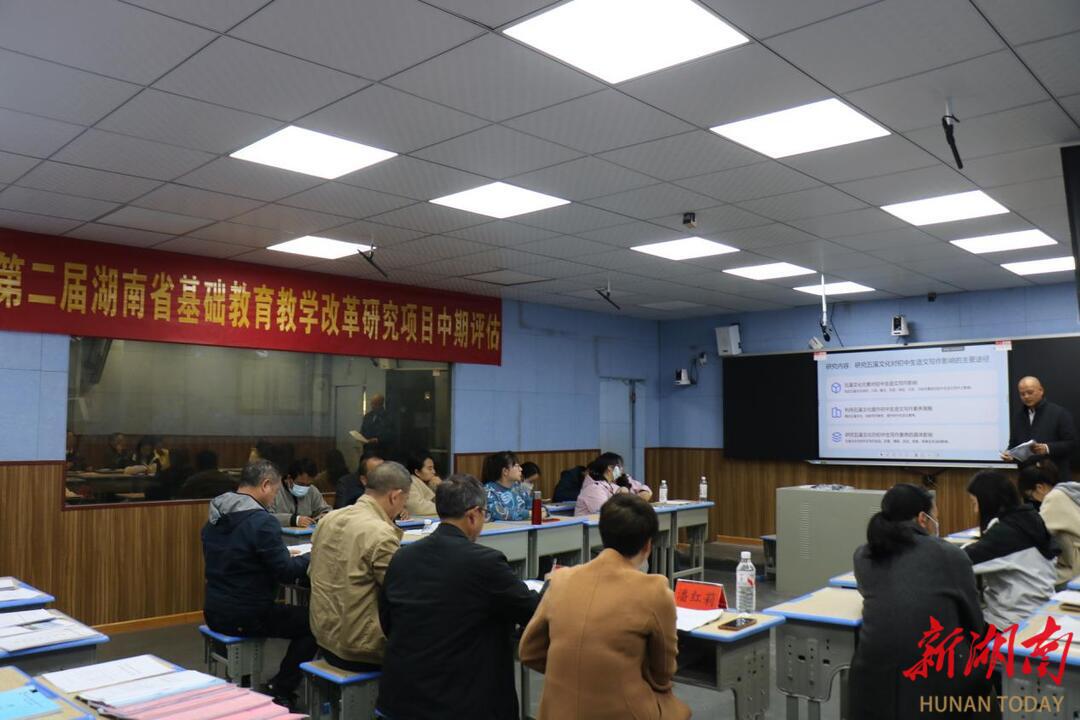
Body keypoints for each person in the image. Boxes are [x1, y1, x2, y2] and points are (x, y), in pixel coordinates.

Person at [378, 475, 540, 720]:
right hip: (460, 703)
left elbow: (387, 622)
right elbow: (532, 610)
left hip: (400, 698)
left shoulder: (402, 557)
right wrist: (554, 586)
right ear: (474, 515)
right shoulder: (485, 562)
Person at [519, 494, 690, 720]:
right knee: (679, 710)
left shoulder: (561, 580)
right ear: (648, 545)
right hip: (623, 710)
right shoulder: (655, 590)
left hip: (556, 711)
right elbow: (663, 673)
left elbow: (529, 651)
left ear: (602, 534)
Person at [848, 484, 992, 720]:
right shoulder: (949, 555)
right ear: (923, 519)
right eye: (935, 516)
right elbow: (974, 623)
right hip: (937, 679)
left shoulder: (863, 554)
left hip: (871, 678)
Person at [201, 460, 316, 706]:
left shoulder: (216, 515)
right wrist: (313, 556)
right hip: (246, 614)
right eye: (275, 491)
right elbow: (286, 572)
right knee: (316, 622)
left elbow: (238, 557)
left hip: (214, 608)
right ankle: (282, 687)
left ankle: (247, 679)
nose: (274, 499)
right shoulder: (262, 521)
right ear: (265, 485)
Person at [308, 462, 410, 671]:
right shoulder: (381, 534)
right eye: (404, 501)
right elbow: (400, 592)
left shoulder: (329, 519)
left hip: (323, 638)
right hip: (360, 649)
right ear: (395, 496)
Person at [964, 470, 1057, 628]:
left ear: (988, 501)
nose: (975, 511)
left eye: (975, 503)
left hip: (1011, 621)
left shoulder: (1006, 535)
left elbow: (960, 561)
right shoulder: (1027, 519)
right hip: (1039, 611)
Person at [1002, 376, 1077, 483]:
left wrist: (1047, 448)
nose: (1026, 396)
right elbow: (1013, 444)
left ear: (1041, 390)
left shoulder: (1059, 413)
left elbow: (1072, 444)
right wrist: (1010, 455)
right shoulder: (1018, 417)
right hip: (1028, 480)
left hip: (1055, 480)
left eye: (1030, 392)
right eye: (1022, 394)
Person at [1020, 460, 1080, 586]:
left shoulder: (1053, 498)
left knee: (1031, 581)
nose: (1033, 500)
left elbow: (1035, 532)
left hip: (1075, 570)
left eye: (1030, 496)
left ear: (1039, 487)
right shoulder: (1069, 490)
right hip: (1073, 561)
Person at [575, 452, 652, 516]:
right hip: (587, 528)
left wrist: (642, 493)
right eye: (620, 466)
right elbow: (607, 513)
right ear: (610, 468)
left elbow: (644, 489)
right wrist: (627, 498)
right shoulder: (593, 488)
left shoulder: (612, 483)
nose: (622, 469)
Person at [271, 458, 330, 527]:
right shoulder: (274, 489)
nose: (304, 487)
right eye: (301, 484)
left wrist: (323, 517)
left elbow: (326, 510)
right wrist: (294, 520)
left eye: (308, 484)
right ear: (289, 478)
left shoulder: (312, 490)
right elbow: (267, 517)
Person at [482, 451, 534, 521]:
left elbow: (532, 504)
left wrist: (543, 510)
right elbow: (501, 513)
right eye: (517, 466)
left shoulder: (518, 487)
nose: (521, 469)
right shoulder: (488, 491)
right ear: (505, 471)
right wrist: (530, 514)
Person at [358, 394, 395, 458]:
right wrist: (360, 437)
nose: (372, 406)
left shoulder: (388, 417)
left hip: (382, 451)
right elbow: (363, 429)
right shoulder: (367, 416)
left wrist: (378, 439)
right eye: (372, 403)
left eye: (375, 404)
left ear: (381, 404)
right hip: (368, 450)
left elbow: (391, 434)